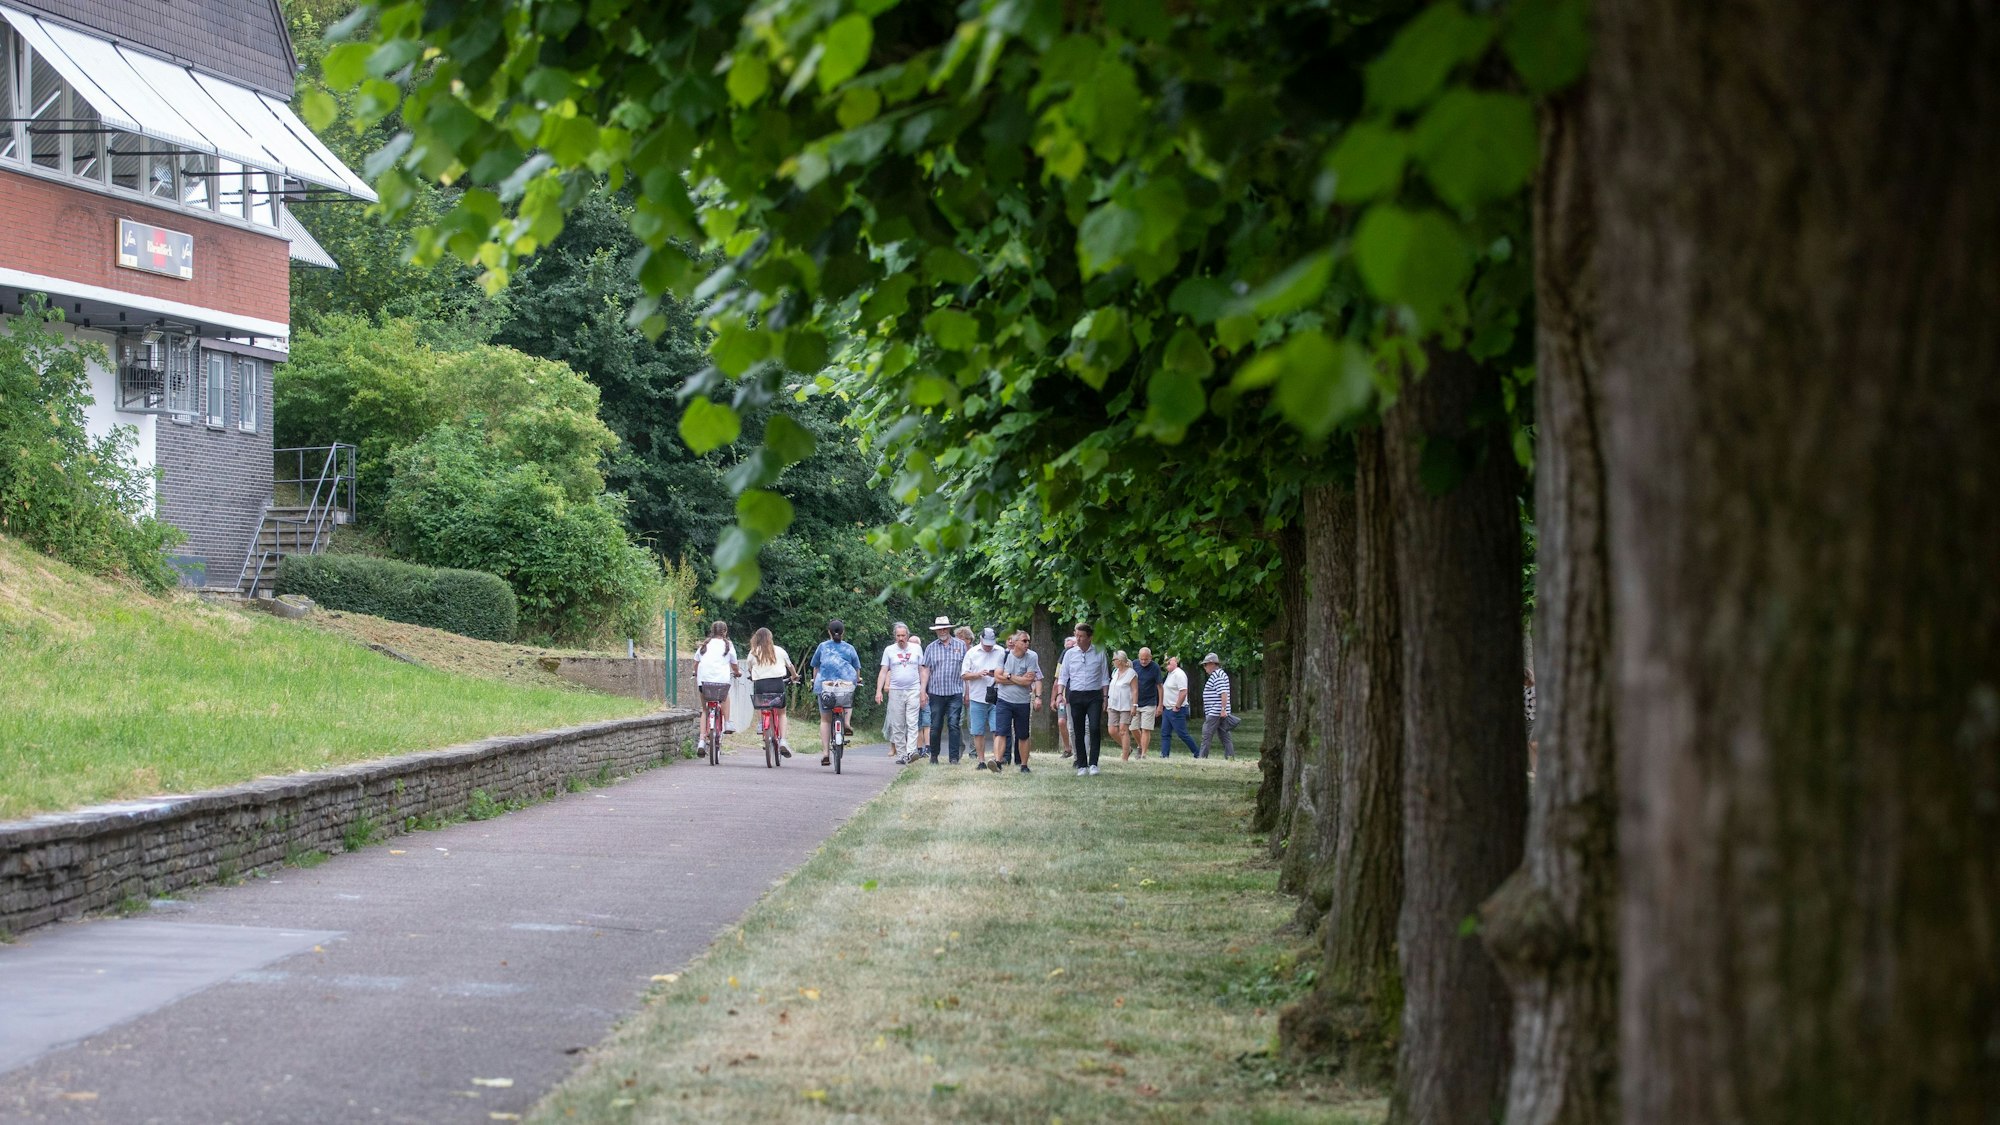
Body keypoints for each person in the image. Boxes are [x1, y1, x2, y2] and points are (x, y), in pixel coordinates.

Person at [806, 619, 862, 767]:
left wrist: (815, 680)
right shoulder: (849, 648)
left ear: (829, 632)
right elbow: (856, 668)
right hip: (844, 685)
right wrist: (857, 679)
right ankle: (847, 722)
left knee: (825, 720)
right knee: (848, 697)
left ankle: (825, 753)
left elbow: (816, 667)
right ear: (843, 632)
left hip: (826, 686)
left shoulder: (822, 647)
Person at [1059, 623, 1110, 776]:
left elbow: (1104, 677)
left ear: (1090, 637)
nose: (1078, 639)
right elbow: (1063, 676)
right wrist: (1059, 695)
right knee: (1078, 730)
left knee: (1094, 728)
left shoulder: (1099, 652)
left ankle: (1093, 763)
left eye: (1081, 636)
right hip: (1075, 695)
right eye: (1076, 636)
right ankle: (1082, 764)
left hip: (1094, 695)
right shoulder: (1069, 654)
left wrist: (1105, 697)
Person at [876, 621, 928, 763]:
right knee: (897, 724)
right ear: (895, 636)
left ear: (908, 635)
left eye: (903, 635)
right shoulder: (889, 650)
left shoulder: (916, 648)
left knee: (912, 722)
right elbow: (883, 671)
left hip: (913, 689)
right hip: (895, 691)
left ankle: (911, 752)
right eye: (898, 635)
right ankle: (902, 754)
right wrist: (878, 691)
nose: (901, 638)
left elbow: (922, 670)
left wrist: (923, 690)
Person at [993, 630, 1042, 773]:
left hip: (1022, 702)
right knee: (1001, 732)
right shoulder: (1004, 656)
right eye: (1024, 641)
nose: (1027, 643)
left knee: (1023, 734)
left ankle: (1024, 765)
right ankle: (997, 762)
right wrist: (1019, 679)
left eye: (1028, 641)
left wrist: (1008, 677)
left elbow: (1029, 680)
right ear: (1014, 643)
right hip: (1004, 700)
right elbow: (997, 678)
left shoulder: (1032, 656)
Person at [745, 627, 797, 757]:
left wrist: (753, 675)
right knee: (781, 713)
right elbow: (790, 667)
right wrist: (794, 676)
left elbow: (750, 669)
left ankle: (762, 723)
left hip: (761, 685)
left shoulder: (753, 652)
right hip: (777, 684)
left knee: (762, 706)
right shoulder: (779, 651)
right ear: (770, 638)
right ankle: (783, 740)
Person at [961, 626, 1008, 770]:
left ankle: (996, 760)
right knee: (977, 730)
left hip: (997, 696)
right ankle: (981, 761)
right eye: (986, 644)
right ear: (981, 640)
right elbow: (964, 675)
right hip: (977, 696)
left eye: (991, 644)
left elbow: (1008, 672)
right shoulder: (972, 652)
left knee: (997, 730)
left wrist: (996, 675)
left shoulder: (1001, 652)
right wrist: (978, 674)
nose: (988, 647)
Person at [923, 615, 968, 764]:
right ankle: (934, 756)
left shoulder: (961, 646)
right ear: (936, 631)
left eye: (944, 628)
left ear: (949, 629)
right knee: (935, 726)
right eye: (939, 629)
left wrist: (967, 691)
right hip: (936, 692)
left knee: (954, 724)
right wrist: (922, 690)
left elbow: (966, 670)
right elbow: (926, 670)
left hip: (955, 691)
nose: (942, 631)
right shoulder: (931, 647)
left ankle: (954, 758)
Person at [694, 621, 739, 754]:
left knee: (704, 709)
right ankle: (728, 722)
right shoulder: (728, 645)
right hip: (721, 683)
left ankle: (702, 740)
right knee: (725, 697)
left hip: (704, 683)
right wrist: (737, 672)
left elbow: (696, 662)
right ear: (725, 632)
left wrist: (695, 673)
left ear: (712, 631)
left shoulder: (705, 645)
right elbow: (734, 664)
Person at [1160, 654, 1200, 758]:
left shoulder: (1179, 674)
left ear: (1175, 661)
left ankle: (1197, 753)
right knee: (1165, 733)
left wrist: (1177, 706)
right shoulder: (1170, 674)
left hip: (1177, 709)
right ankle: (1164, 755)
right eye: (1165, 662)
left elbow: (1183, 692)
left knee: (1182, 734)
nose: (1167, 664)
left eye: (1169, 661)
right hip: (1167, 709)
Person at [1199, 652, 1236, 760]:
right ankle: (1230, 757)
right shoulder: (1220, 674)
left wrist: (1223, 709)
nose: (1204, 667)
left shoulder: (1217, 675)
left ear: (1212, 664)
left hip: (1216, 711)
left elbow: (1223, 693)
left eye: (1205, 664)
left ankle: (1202, 757)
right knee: (1225, 736)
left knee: (1206, 734)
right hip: (1219, 711)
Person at [1132, 647, 1163, 757]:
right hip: (1135, 702)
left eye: (1146, 659)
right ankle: (1140, 745)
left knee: (1146, 728)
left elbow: (1160, 687)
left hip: (1149, 702)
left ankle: (1143, 754)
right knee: (1133, 727)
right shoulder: (1133, 664)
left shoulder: (1155, 667)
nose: (1144, 661)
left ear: (1150, 657)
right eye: (1141, 659)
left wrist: (1160, 705)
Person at [1109, 650, 1138, 761]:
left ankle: (1125, 757)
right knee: (1112, 730)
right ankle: (1127, 748)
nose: (1113, 662)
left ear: (1120, 661)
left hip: (1126, 705)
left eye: (1114, 660)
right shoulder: (1115, 672)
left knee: (1123, 730)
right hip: (1113, 704)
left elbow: (1135, 690)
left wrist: (1134, 705)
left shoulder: (1131, 673)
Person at [1054, 635, 1077, 758]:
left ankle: (1077, 750)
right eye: (1067, 647)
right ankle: (1067, 748)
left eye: (1071, 646)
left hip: (1074, 696)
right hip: (1062, 697)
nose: (1069, 649)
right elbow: (1057, 679)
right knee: (1062, 721)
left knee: (1074, 724)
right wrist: (1054, 697)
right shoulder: (1063, 659)